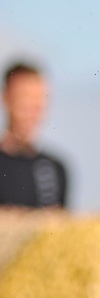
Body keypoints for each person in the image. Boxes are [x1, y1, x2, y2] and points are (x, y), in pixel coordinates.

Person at [0, 63, 69, 209]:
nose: (32, 109)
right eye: (25, 99)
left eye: (38, 100)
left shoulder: (55, 168)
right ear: (6, 98)